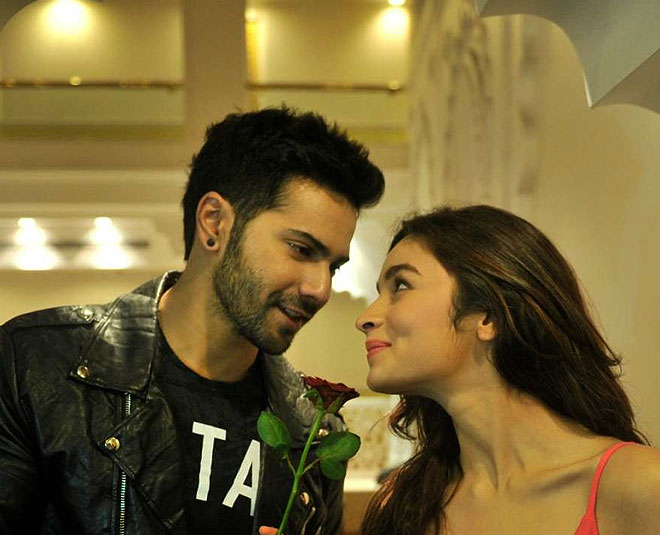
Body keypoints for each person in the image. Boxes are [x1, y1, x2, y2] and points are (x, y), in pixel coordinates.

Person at [0, 107, 384, 535]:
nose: (321, 289)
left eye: (333, 266)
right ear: (214, 223)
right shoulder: (35, 365)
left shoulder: (315, 432)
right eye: (301, 249)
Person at [355, 205, 660, 535]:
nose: (365, 318)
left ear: (488, 316)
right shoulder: (406, 505)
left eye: (401, 286)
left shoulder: (641, 486)